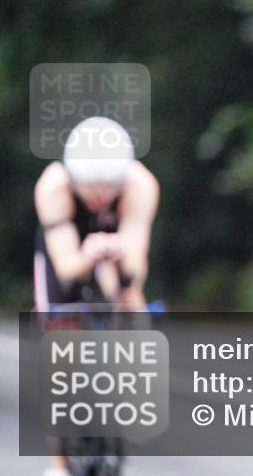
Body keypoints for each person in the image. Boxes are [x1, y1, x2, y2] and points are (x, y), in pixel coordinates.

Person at [33, 116, 159, 476]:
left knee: (131, 304)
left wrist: (120, 262)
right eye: (90, 186)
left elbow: (135, 267)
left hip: (116, 243)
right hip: (66, 248)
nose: (100, 195)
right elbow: (66, 268)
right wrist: (88, 254)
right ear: (74, 177)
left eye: (108, 186)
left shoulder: (140, 184)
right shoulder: (53, 186)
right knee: (59, 338)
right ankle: (59, 460)